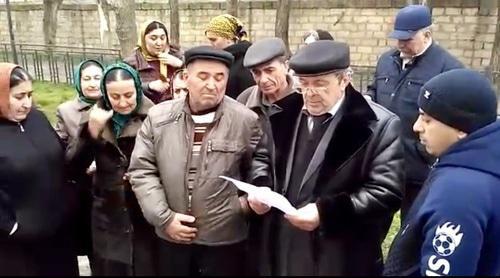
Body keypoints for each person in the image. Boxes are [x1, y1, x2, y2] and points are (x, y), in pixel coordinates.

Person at [248, 41, 404, 275]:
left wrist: (326, 212)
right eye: (304, 84)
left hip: (339, 253)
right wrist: (261, 188)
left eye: (320, 84)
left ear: (344, 80)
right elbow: (263, 158)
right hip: (283, 246)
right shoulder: (284, 112)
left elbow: (386, 192)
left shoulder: (378, 125)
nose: (310, 94)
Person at [128, 45, 271, 276]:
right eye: (203, 76)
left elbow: (259, 166)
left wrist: (243, 206)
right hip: (172, 237)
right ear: (185, 77)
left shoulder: (246, 120)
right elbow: (142, 170)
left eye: (219, 77)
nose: (212, 85)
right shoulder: (159, 117)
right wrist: (164, 218)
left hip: (224, 240)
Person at [384, 69, 500, 276]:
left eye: (427, 119)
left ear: (461, 129)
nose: (416, 126)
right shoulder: (484, 164)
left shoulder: (459, 193)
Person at [365, 5, 463, 220]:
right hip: (383, 160)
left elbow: (452, 118)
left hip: (418, 164)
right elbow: (375, 90)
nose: (400, 44)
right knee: (373, 223)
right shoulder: (386, 61)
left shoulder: (448, 68)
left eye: (407, 39)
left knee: (412, 226)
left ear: (427, 34)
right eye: (397, 38)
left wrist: (424, 152)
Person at [67, 63, 156, 276]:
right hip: (108, 212)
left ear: (137, 88)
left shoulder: (154, 116)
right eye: (115, 97)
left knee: (146, 265)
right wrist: (91, 133)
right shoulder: (94, 117)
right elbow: (72, 165)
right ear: (106, 95)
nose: (123, 102)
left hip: (145, 209)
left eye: (128, 95)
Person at [0, 63, 78, 276]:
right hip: (16, 245)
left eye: (30, 95)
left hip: (57, 233)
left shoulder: (37, 119)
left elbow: (60, 159)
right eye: (19, 96)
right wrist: (11, 226)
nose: (27, 103)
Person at [237, 37, 304, 275]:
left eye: (270, 70)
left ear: (286, 66)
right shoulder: (246, 100)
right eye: (256, 73)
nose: (263, 79)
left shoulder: (306, 97)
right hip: (257, 192)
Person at [54, 59, 104, 271]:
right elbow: (61, 149)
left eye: (97, 78)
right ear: (78, 81)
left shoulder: (115, 104)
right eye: (86, 79)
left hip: (112, 185)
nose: (92, 83)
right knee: (91, 245)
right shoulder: (66, 111)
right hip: (84, 189)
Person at [124, 19, 183, 104]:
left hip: (176, 109)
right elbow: (125, 88)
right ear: (143, 39)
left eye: (162, 38)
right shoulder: (132, 62)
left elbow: (192, 78)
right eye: (153, 38)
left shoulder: (177, 55)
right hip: (147, 111)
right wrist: (149, 86)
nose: (159, 43)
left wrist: (180, 64)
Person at [205, 14, 255, 99]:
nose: (211, 44)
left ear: (229, 38)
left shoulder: (247, 61)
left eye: (214, 40)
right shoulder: (218, 59)